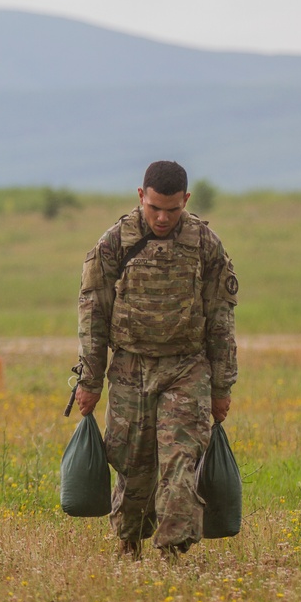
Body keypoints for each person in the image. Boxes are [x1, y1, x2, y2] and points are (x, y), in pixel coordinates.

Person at [73, 161, 238, 560]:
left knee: (180, 459)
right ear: (141, 197)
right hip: (130, 368)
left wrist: (222, 386)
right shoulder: (115, 242)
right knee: (132, 462)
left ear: (186, 201)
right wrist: (90, 381)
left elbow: (221, 317)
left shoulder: (205, 244)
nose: (163, 218)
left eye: (173, 210)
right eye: (154, 209)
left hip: (187, 368)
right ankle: (129, 543)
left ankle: (173, 552)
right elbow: (93, 312)